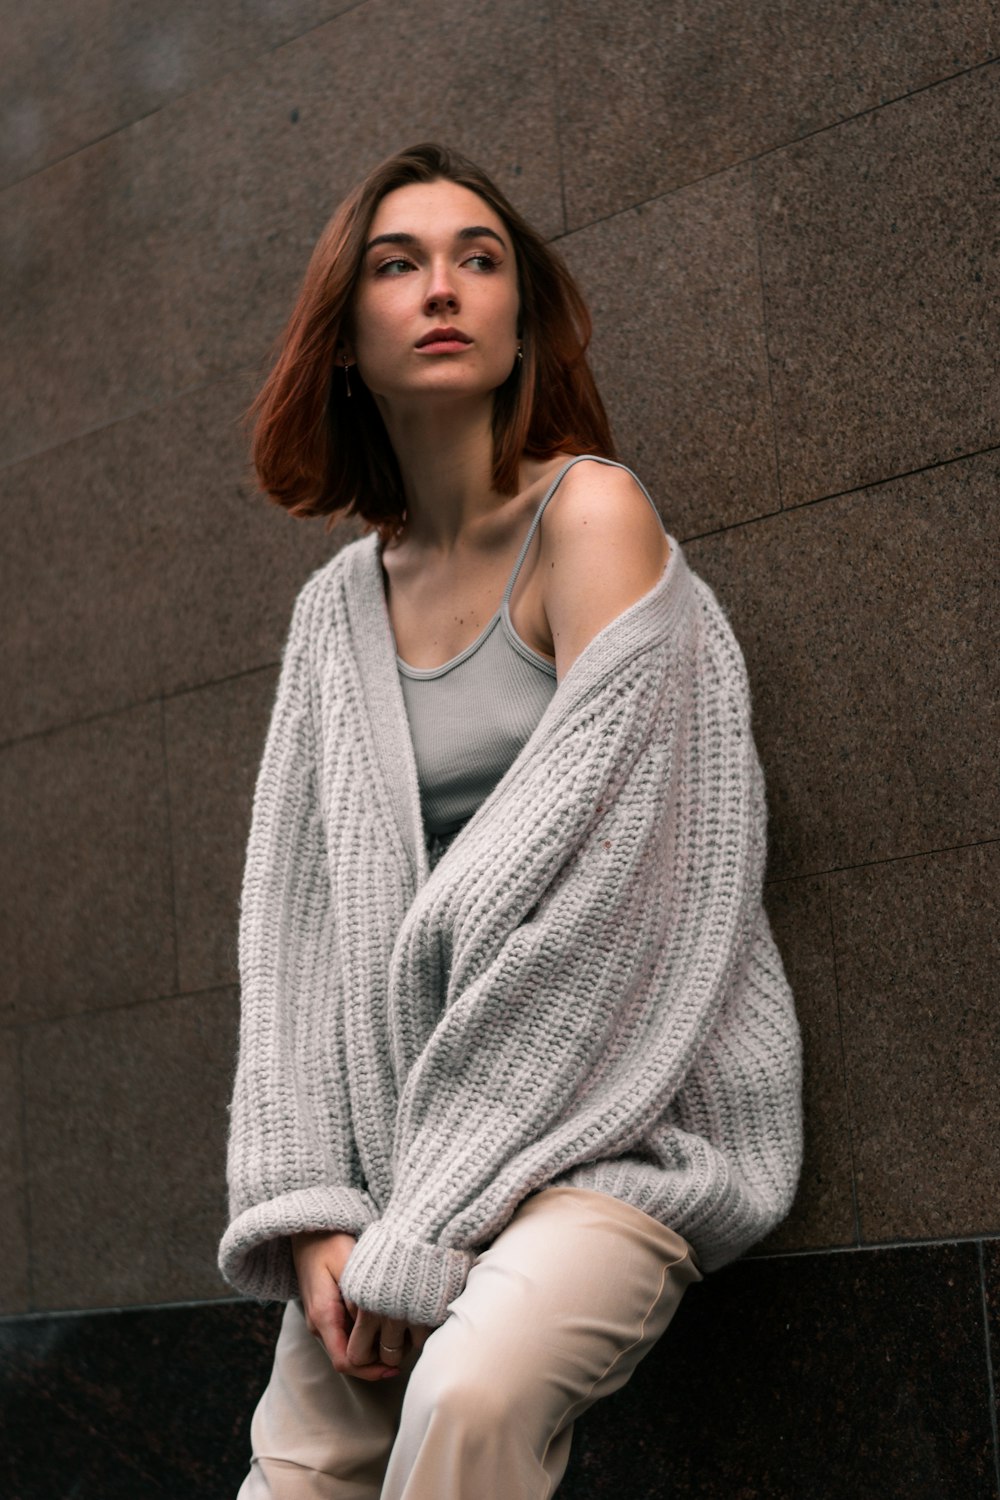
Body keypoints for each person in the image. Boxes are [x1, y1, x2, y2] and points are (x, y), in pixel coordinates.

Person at [218, 141, 804, 1499]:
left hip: (619, 1133)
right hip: (400, 1164)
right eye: (399, 263)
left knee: (469, 1399)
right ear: (346, 338)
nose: (445, 288)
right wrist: (318, 1217)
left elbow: (621, 897)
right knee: (297, 1468)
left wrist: (426, 1223)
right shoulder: (329, 618)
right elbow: (296, 946)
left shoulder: (591, 518)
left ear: (521, 322)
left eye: (479, 261)